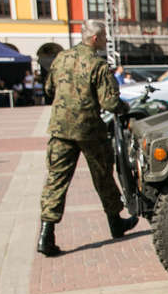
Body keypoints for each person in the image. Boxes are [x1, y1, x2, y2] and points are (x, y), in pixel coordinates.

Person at [37, 20, 137, 256]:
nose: (104, 42)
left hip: (60, 131)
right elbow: (110, 102)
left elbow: (49, 90)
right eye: (103, 38)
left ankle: (45, 235)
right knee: (103, 175)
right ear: (95, 39)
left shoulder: (60, 59)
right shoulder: (98, 65)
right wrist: (126, 108)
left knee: (56, 180)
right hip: (89, 131)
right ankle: (115, 222)